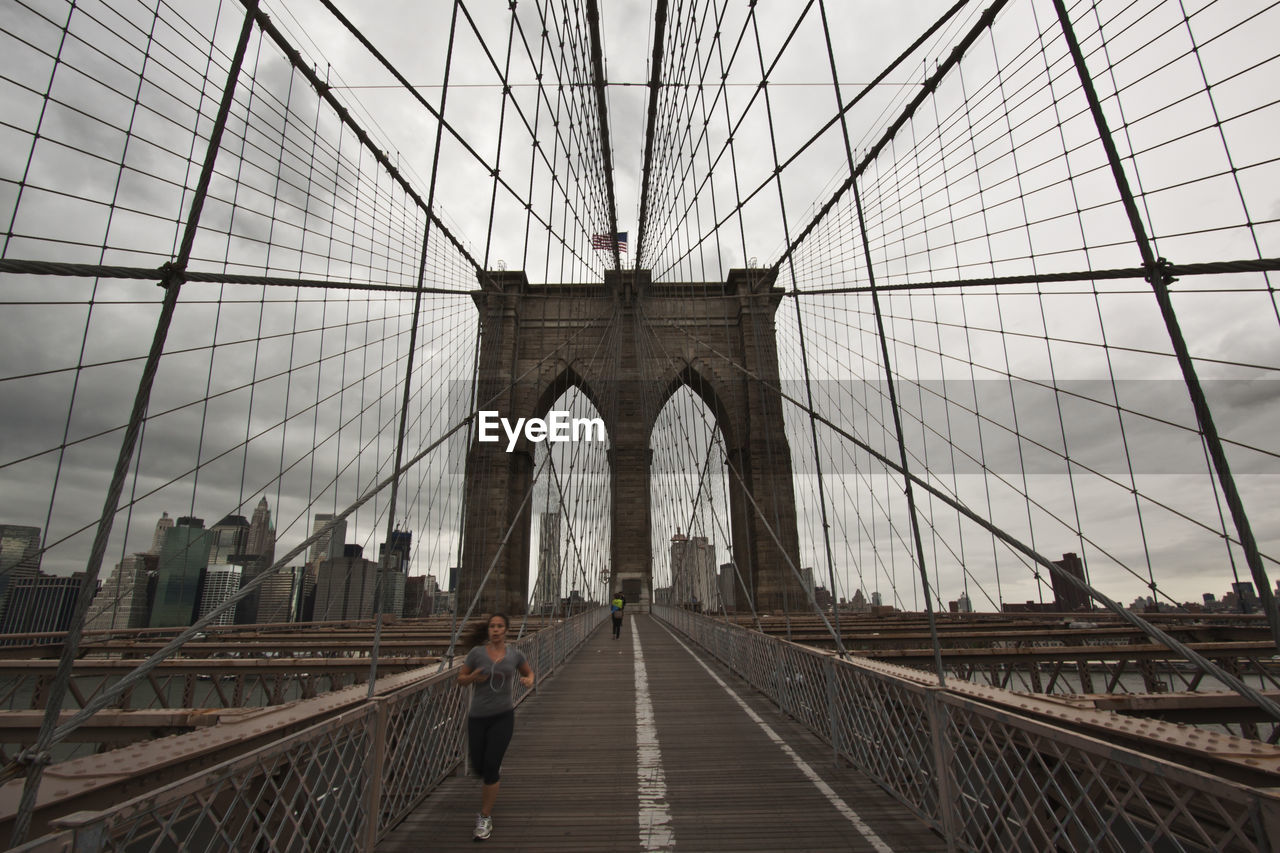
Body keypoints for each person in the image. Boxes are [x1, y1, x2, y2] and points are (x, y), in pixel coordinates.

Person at [457, 613, 535, 841]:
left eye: (500, 626)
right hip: (478, 717)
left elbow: (528, 672)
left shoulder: (515, 654)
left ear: (506, 630)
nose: (496, 629)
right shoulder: (476, 654)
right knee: (478, 767)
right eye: (492, 626)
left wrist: (529, 680)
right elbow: (460, 679)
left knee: (490, 767)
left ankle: (485, 816)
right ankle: (491, 773)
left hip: (503, 716)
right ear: (489, 630)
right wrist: (472, 677)